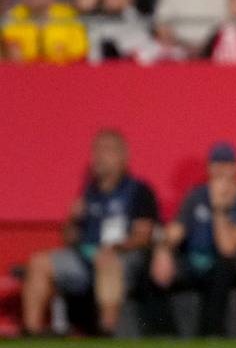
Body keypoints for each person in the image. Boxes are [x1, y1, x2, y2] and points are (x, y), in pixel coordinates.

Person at [21, 130, 158, 336]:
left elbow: (143, 236)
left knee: (107, 260)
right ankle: (31, 332)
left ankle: (106, 330)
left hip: (123, 257)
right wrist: (72, 219)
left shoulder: (139, 191)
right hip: (85, 257)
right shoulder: (89, 193)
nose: (99, 156)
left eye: (107, 150)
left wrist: (116, 247)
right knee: (38, 262)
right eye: (96, 150)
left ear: (123, 156)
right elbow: (69, 239)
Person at [150, 143, 236, 337]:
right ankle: (165, 336)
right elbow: (176, 232)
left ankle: (210, 334)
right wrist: (162, 249)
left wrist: (219, 208)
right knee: (150, 267)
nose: (220, 170)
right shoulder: (197, 196)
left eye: (226, 164)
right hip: (194, 262)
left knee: (221, 268)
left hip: (228, 267)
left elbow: (228, 248)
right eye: (215, 164)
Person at [2, 0, 88, 64]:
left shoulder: (68, 17)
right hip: (24, 73)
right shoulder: (14, 18)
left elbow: (79, 54)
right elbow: (12, 53)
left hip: (62, 72)